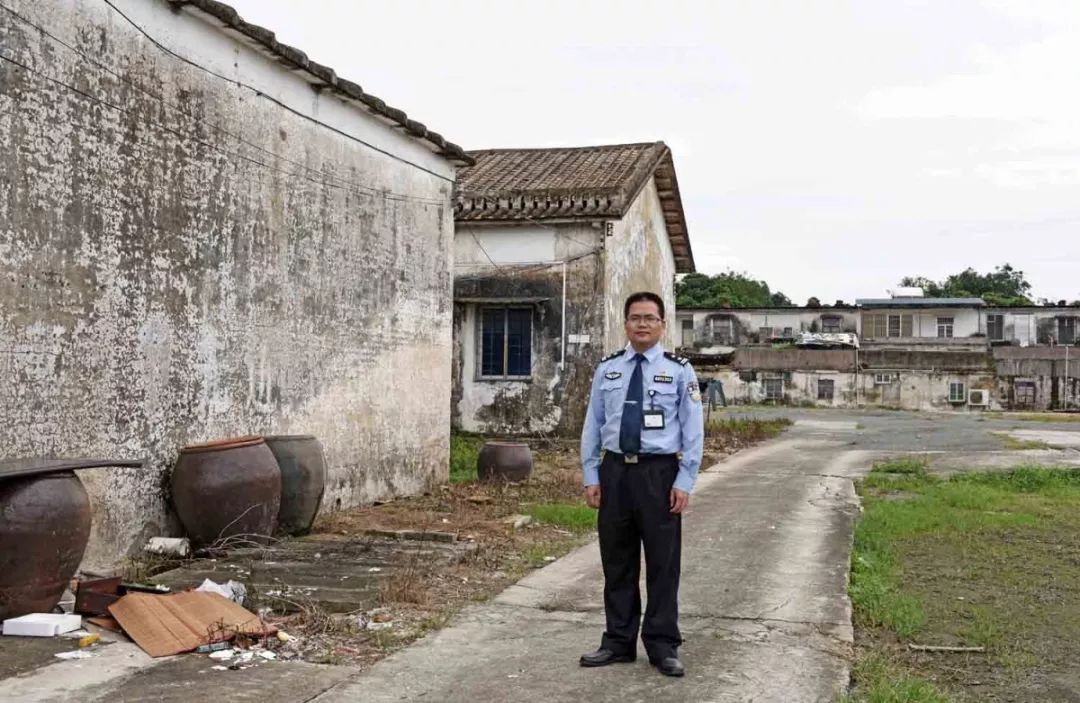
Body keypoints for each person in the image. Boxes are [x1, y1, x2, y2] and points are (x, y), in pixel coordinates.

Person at [578, 291, 704, 678]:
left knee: (663, 564)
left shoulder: (679, 370)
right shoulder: (608, 369)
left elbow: (693, 430)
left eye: (650, 318)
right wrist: (591, 474)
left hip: (659, 474)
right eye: (635, 318)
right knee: (617, 561)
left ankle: (663, 645)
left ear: (663, 324)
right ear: (626, 324)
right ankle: (618, 641)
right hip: (615, 473)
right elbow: (593, 424)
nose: (643, 324)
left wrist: (685, 480)